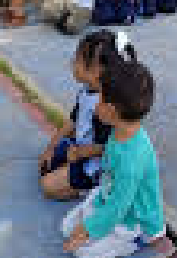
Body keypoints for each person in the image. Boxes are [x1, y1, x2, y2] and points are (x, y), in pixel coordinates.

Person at [61, 56, 165, 258]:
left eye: (99, 98)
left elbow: (119, 206)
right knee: (66, 228)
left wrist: (87, 230)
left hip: (134, 218)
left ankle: (138, 240)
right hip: (111, 196)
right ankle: (98, 224)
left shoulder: (132, 159)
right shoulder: (121, 130)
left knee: (84, 254)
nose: (95, 103)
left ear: (111, 110)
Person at [39, 31, 136, 200]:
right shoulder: (86, 91)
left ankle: (94, 189)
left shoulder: (104, 107)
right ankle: (73, 177)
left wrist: (80, 153)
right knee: (45, 164)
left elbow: (109, 146)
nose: (72, 63)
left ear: (97, 71)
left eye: (77, 60)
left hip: (95, 162)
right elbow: (73, 121)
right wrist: (51, 147)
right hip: (78, 147)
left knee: (48, 187)